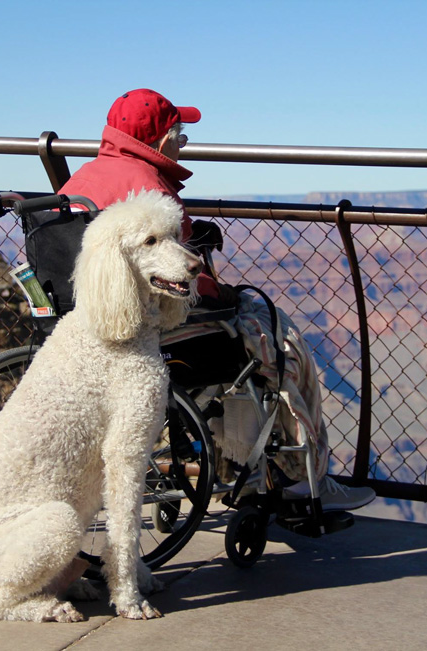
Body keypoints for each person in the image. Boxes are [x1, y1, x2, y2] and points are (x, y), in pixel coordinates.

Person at [59, 88, 374, 511]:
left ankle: (242, 468)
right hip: (150, 328)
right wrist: (223, 294)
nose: (182, 144)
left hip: (89, 324)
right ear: (161, 141)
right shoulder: (149, 190)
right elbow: (186, 276)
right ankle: (301, 478)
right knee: (278, 337)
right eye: (180, 136)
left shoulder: (80, 180)